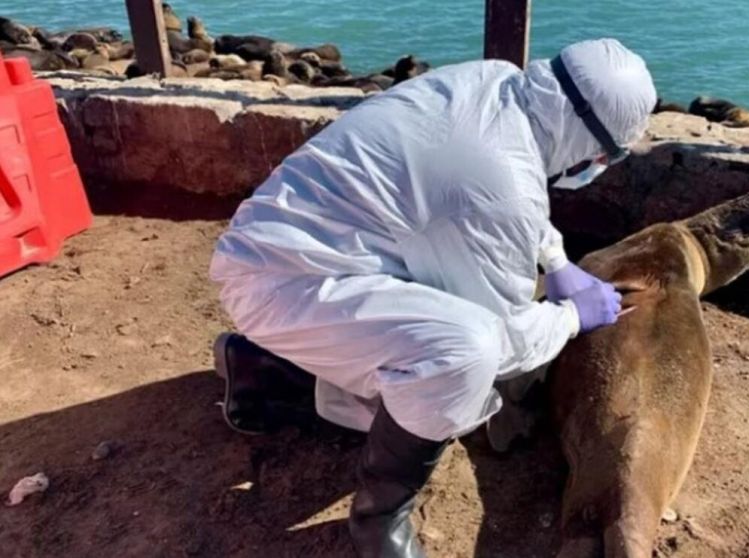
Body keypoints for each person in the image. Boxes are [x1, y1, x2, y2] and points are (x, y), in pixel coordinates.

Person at [209, 37, 656, 558]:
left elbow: (502, 192)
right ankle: (379, 517)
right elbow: (509, 335)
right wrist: (572, 317)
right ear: (589, 142)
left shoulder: (496, 82)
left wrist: (556, 263)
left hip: (290, 243)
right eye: (606, 155)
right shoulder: (502, 180)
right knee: (464, 352)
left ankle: (263, 370)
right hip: (283, 283)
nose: (599, 165)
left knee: (434, 332)